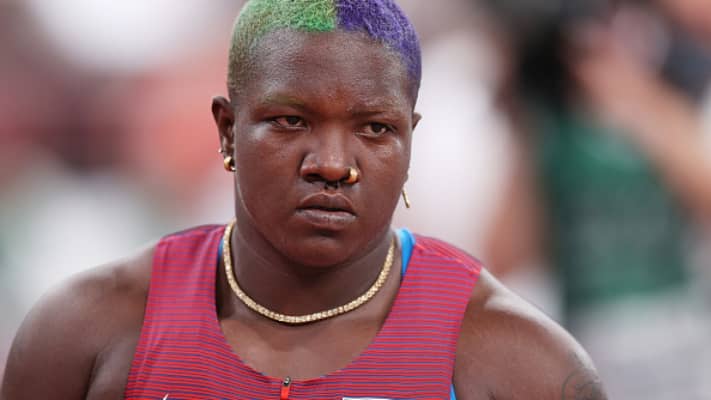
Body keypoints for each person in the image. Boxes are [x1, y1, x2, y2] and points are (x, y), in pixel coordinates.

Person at [0, 1, 607, 399]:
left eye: (375, 129)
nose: (333, 164)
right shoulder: (88, 330)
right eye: (291, 121)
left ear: (410, 141)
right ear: (227, 130)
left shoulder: (515, 361)